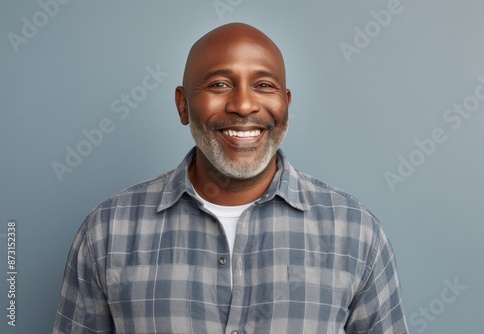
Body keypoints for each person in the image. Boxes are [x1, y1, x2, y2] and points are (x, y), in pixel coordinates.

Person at [53, 22, 409, 334]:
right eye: (220, 84)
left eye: (264, 85)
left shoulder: (355, 233)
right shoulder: (108, 231)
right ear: (183, 105)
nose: (243, 105)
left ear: (286, 104)